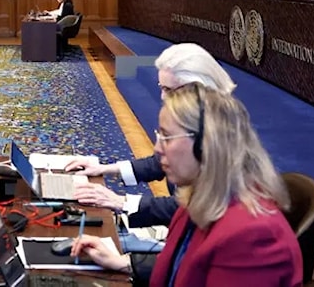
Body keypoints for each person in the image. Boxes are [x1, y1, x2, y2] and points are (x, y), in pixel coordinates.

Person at [71, 85, 302, 286]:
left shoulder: (254, 236)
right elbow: (179, 268)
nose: (158, 149)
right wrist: (122, 263)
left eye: (167, 137)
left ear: (207, 145)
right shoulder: (198, 198)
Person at [68, 44, 236, 227]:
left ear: (199, 88)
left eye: (170, 90)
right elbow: (159, 163)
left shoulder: (219, 135)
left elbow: (191, 207)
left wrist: (121, 202)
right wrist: (104, 169)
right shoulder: (198, 120)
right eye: (161, 88)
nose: (163, 97)